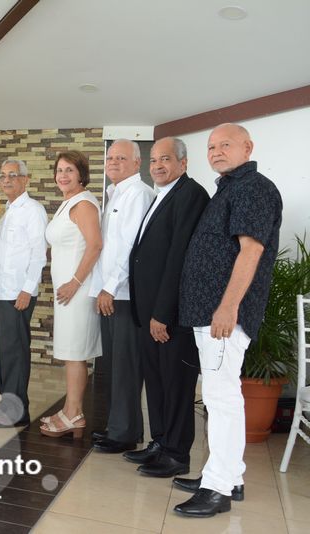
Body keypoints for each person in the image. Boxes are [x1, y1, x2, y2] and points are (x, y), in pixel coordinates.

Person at [174, 123, 282, 518]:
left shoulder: (253, 188)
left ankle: (217, 489)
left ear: (247, 148)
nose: (216, 152)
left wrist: (228, 306)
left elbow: (251, 251)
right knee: (221, 396)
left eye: (225, 145)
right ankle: (228, 476)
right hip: (211, 312)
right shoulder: (230, 188)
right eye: (211, 147)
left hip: (222, 314)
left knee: (221, 399)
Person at [125, 137, 209, 477]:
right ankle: (159, 442)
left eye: (166, 159)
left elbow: (179, 258)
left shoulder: (191, 195)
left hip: (169, 315)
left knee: (175, 385)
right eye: (154, 160)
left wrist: (162, 313)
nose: (158, 165)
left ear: (183, 163)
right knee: (157, 382)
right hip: (148, 312)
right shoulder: (163, 194)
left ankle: (176, 454)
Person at [90, 139, 155, 453]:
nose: (113, 162)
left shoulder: (139, 194)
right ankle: (119, 427)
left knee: (126, 367)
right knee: (113, 366)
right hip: (111, 293)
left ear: (137, 163)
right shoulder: (115, 192)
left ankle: (124, 434)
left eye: (121, 158)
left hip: (124, 295)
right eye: (110, 157)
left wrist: (110, 287)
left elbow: (131, 246)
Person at [39, 151, 102, 438]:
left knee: (75, 353)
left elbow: (95, 245)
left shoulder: (84, 204)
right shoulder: (69, 202)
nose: (63, 175)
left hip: (77, 290)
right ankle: (69, 408)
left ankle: (75, 414)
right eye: (60, 170)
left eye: (69, 170)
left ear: (81, 175)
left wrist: (75, 282)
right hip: (67, 291)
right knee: (70, 352)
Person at [0, 159, 48, 428]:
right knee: (1, 352)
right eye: (3, 176)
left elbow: (39, 253)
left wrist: (27, 289)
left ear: (26, 179)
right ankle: (7, 405)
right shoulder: (8, 211)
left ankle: (17, 412)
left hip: (17, 293)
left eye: (13, 175)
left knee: (14, 354)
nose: (7, 180)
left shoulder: (32, 210)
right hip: (1, 292)